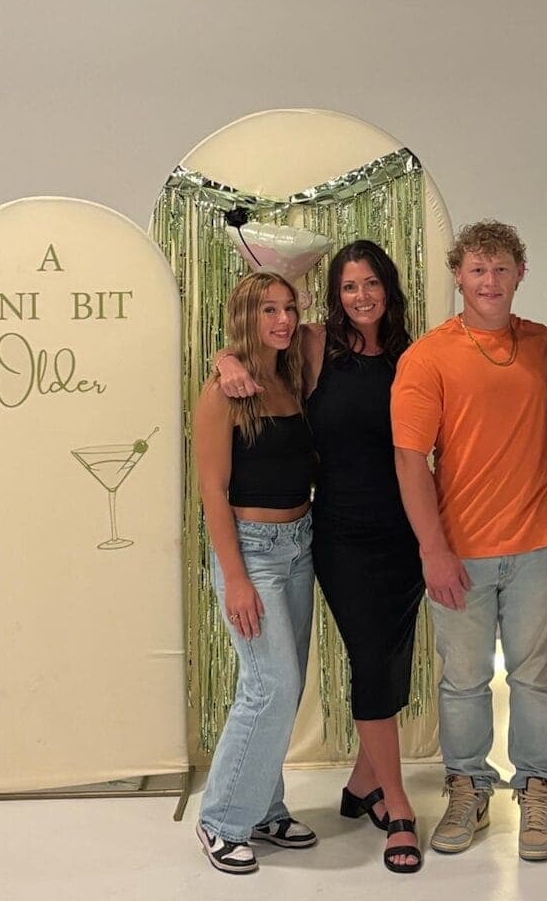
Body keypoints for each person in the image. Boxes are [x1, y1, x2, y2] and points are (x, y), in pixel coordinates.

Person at [213, 241, 425, 873]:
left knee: (390, 657)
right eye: (348, 287)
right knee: (338, 664)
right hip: (336, 534)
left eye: (371, 284)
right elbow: (254, 339)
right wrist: (224, 360)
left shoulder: (414, 356)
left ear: (388, 287)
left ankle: (359, 788)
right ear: (335, 297)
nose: (361, 297)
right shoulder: (314, 346)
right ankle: (395, 804)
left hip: (402, 532)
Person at [391, 220, 547, 862]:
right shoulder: (429, 357)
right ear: (458, 277)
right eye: (475, 269)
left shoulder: (545, 345)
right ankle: (467, 787)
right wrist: (432, 550)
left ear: (520, 273)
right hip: (458, 550)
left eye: (500, 269)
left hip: (536, 542)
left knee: (536, 676)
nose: (488, 281)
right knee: (463, 681)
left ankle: (540, 789)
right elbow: (411, 461)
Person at [193, 271, 320, 875]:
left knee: (286, 685)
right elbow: (213, 492)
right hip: (253, 552)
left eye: (289, 308)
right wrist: (236, 578)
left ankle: (265, 807)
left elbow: (332, 331)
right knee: (268, 685)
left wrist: (231, 355)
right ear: (246, 314)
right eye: (269, 309)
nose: (284, 320)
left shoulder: (288, 377)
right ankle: (221, 819)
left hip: (301, 544)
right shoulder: (223, 394)